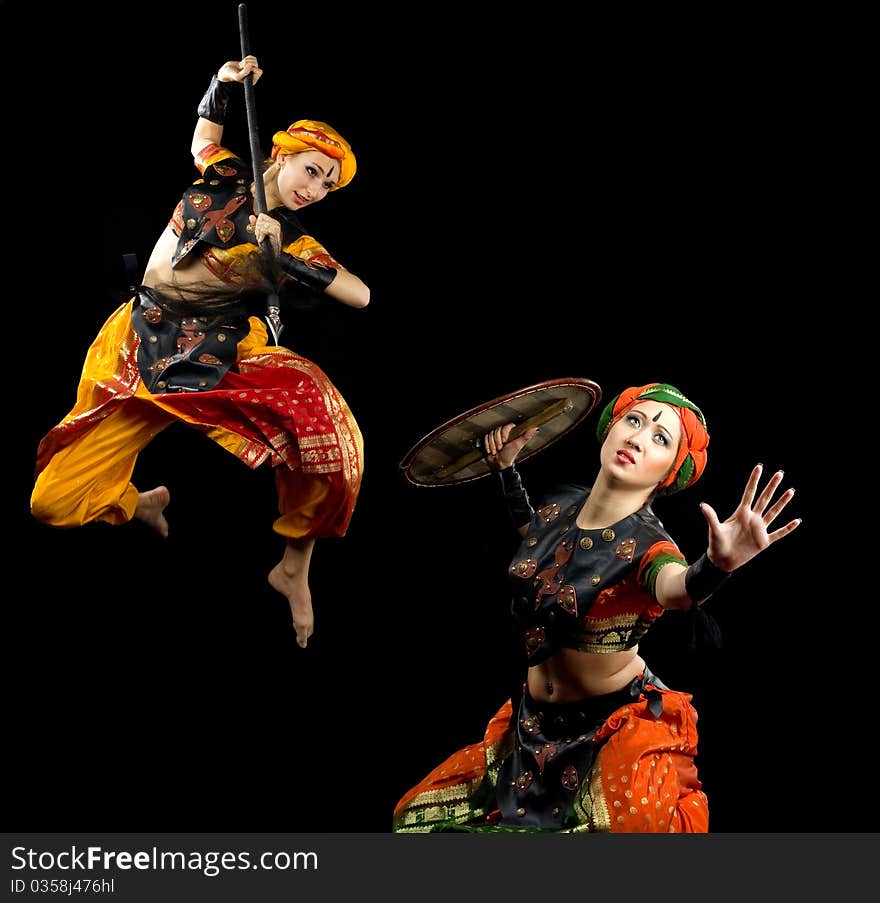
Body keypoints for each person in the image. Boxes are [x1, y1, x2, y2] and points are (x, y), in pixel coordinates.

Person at [30, 56, 369, 649]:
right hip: (137, 343)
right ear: (280, 155)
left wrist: (282, 258)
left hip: (213, 353)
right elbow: (203, 138)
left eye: (326, 186)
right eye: (311, 172)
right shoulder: (226, 174)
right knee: (52, 504)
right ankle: (139, 504)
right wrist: (224, 82)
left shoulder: (292, 237)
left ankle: (294, 564)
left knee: (329, 433)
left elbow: (359, 294)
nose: (314, 190)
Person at [392, 381, 800, 832]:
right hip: (530, 728)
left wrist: (717, 567)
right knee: (413, 820)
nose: (638, 438)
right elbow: (538, 538)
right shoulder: (562, 503)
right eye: (634, 420)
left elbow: (676, 588)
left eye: (660, 438)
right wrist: (506, 470)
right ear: (609, 430)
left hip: (608, 731)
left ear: (669, 472)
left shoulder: (652, 547)